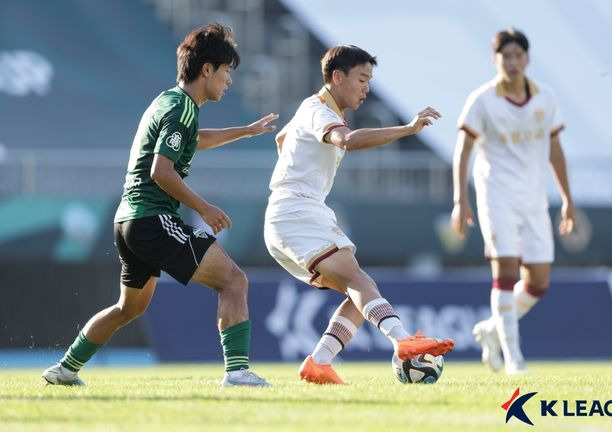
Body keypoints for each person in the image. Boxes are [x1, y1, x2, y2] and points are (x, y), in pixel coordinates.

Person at [42, 23, 278, 387]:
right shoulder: (181, 108)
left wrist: (246, 131)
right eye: (227, 71)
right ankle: (238, 372)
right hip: (152, 219)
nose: (229, 80)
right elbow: (161, 171)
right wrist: (204, 208)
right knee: (234, 280)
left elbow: (194, 140)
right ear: (207, 69)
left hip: (128, 222)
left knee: (129, 308)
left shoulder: (169, 101)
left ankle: (66, 369)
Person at [264, 45, 454, 385]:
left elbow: (282, 137)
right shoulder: (320, 110)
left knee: (361, 290)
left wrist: (293, 159)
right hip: (297, 211)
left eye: (369, 80)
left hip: (292, 212)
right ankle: (402, 340)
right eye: (362, 79)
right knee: (360, 283)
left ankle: (319, 362)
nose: (367, 87)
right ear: (338, 77)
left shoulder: (311, 109)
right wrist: (407, 129)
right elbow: (347, 141)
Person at [451, 28, 575, 375]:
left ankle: (492, 330)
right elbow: (462, 151)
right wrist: (461, 199)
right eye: (506, 55)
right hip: (496, 194)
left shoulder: (545, 98)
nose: (513, 61)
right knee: (505, 270)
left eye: (518, 55)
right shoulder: (482, 99)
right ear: (496, 60)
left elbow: (555, 149)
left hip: (534, 198)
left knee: (538, 282)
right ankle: (513, 358)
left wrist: (567, 198)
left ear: (527, 59)